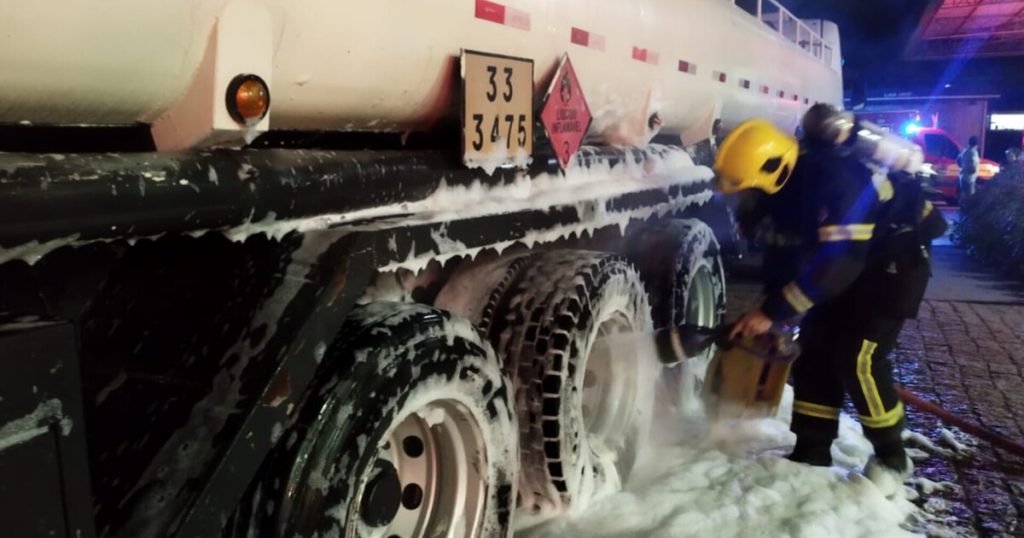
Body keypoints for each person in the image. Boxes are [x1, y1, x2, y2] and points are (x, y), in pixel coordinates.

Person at [714, 106, 948, 493]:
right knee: (816, 350)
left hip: (893, 264)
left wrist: (774, 311)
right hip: (852, 264)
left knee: (859, 358)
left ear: (773, 173)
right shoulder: (780, 192)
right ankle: (811, 451)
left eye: (746, 191)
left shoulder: (835, 180)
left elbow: (839, 264)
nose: (741, 201)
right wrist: (771, 312)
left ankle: (892, 457)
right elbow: (784, 257)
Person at [957, 136, 980, 204]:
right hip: (970, 178)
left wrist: (963, 168)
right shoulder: (973, 152)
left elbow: (958, 160)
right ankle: (967, 212)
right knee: (970, 197)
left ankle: (962, 211)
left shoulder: (965, 151)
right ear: (977, 144)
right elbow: (973, 164)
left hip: (962, 176)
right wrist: (973, 171)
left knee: (964, 195)